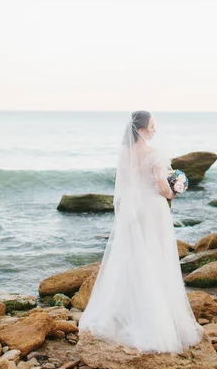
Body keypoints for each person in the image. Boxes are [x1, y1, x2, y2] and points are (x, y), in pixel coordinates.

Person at [78, 110, 204, 354]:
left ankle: (128, 312)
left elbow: (126, 182)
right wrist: (175, 191)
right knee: (157, 257)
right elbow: (160, 186)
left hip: (132, 209)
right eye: (152, 125)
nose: (155, 129)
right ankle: (157, 321)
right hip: (153, 209)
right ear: (143, 129)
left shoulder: (124, 152)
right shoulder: (154, 153)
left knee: (134, 257)